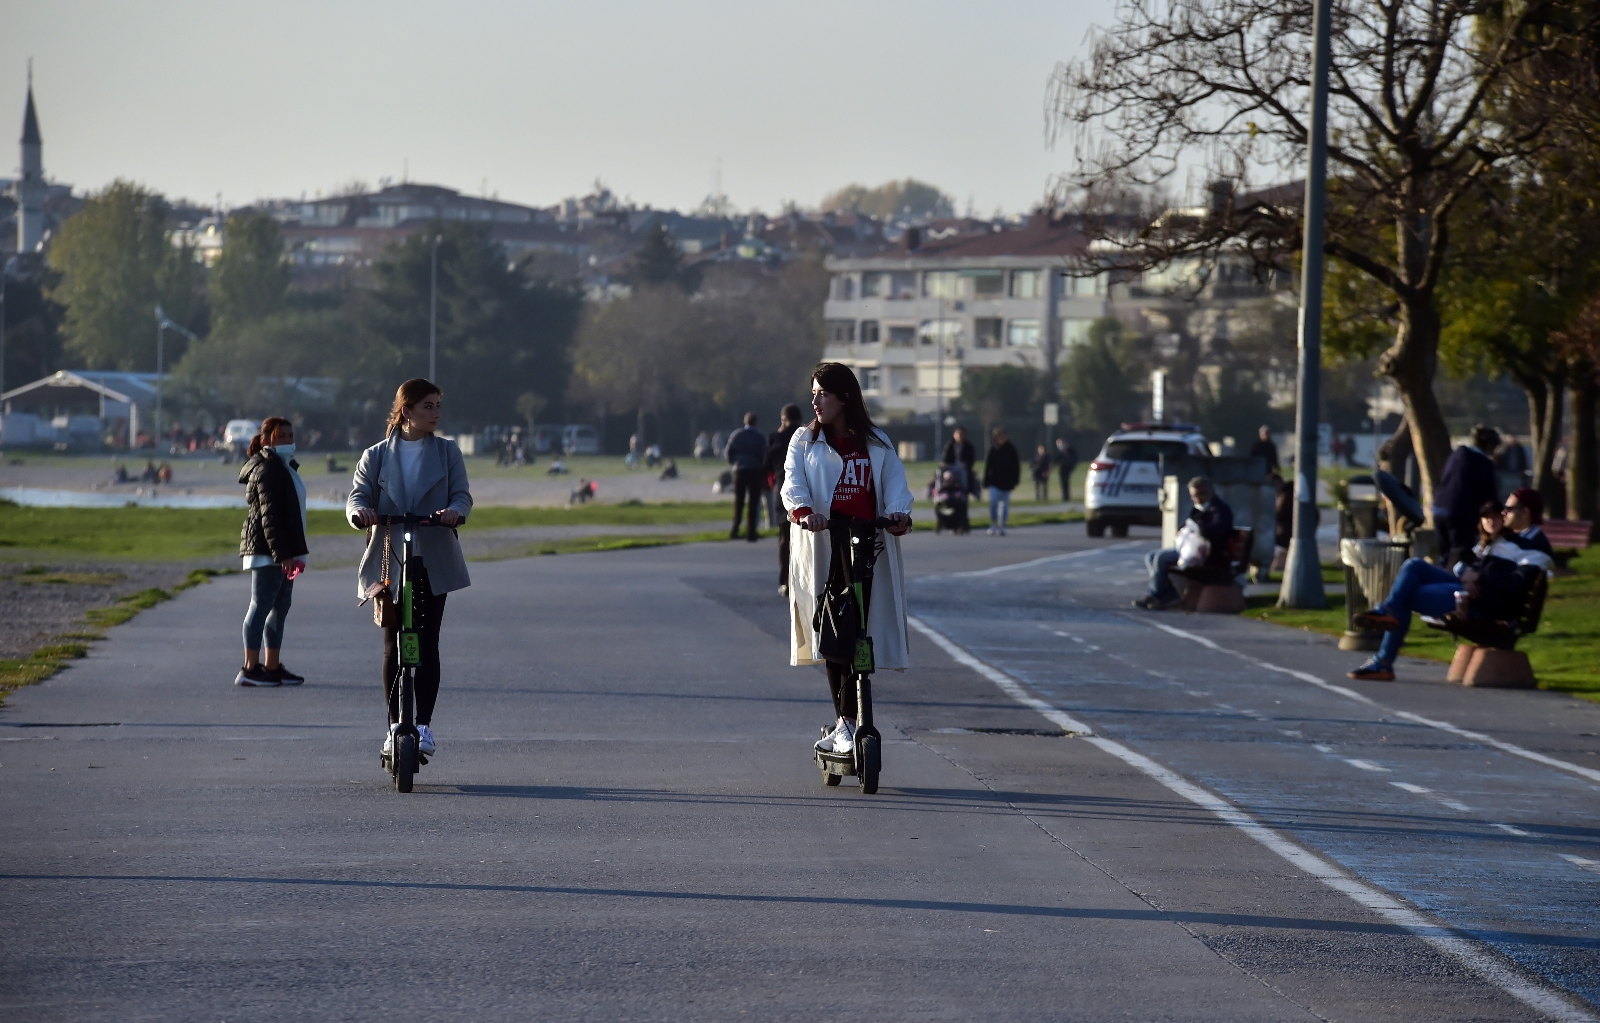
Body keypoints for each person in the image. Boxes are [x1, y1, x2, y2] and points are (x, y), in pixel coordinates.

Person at [782, 363, 913, 756]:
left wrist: (899, 513)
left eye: (823, 393)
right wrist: (805, 512)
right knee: (835, 630)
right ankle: (845, 722)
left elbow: (895, 483)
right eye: (813, 393)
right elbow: (792, 482)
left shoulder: (876, 441)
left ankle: (850, 719)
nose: (815, 401)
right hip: (827, 543)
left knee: (861, 631)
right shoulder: (804, 440)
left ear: (844, 397)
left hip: (867, 543)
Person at [347, 378, 473, 762]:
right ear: (407, 411)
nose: (436, 413)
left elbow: (462, 495)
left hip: (433, 554)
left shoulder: (448, 452)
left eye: (438, 406)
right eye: (427, 406)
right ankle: (392, 727)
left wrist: (454, 512)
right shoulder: (375, 456)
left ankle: (424, 725)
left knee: (428, 641)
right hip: (388, 555)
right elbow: (357, 496)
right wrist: (360, 513)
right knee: (393, 644)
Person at [1348, 499, 1549, 680]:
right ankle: (1388, 612)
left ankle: (1383, 660)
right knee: (1413, 565)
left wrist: (1477, 576)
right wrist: (1468, 573)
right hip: (1468, 587)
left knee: (1408, 596)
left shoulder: (1529, 546)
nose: (1502, 514)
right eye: (1490, 515)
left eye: (1507, 510)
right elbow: (1467, 564)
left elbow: (1513, 583)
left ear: (1525, 512)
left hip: (1479, 601)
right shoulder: (1504, 540)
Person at [235, 416, 309, 687]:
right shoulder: (268, 469)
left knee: (279, 608)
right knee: (261, 605)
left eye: (290, 435)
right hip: (268, 551)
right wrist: (283, 555)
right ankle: (250, 668)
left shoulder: (283, 466)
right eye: (282, 436)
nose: (288, 441)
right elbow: (270, 518)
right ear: (267, 441)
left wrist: (292, 553)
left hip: (283, 551)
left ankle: (272, 666)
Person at [1135, 476, 1234, 610]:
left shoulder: (1219, 510)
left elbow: (1217, 530)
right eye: (1194, 496)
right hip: (1189, 549)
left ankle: (1156, 595)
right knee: (1151, 556)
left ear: (1211, 492)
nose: (1198, 499)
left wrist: (1200, 529)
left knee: (1161, 558)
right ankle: (1169, 593)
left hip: (1208, 554)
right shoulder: (1199, 509)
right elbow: (1189, 524)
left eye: (1202, 494)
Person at [1433, 425, 1501, 554]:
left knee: (1444, 554)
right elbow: (1490, 497)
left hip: (1439, 508)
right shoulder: (1484, 463)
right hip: (1461, 513)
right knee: (1460, 554)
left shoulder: (1456, 455)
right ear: (1490, 446)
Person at [766, 404, 804, 594]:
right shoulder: (807, 436)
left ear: (784, 418)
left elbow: (766, 464)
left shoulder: (777, 438)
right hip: (804, 489)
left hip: (782, 487)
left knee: (784, 537)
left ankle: (785, 580)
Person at [726, 412, 767, 541]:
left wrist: (734, 463)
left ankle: (735, 529)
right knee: (753, 503)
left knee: (739, 501)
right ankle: (751, 532)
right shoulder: (759, 437)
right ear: (756, 422)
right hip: (755, 471)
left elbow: (728, 452)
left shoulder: (737, 435)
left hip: (740, 470)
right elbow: (764, 454)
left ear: (745, 422)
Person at [981, 427, 1020, 536]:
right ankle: (994, 523)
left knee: (1004, 504)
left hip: (1007, 481)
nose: (1001, 438)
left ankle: (1002, 525)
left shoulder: (1011, 449)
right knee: (993, 503)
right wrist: (985, 480)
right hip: (994, 481)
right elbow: (988, 466)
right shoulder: (993, 450)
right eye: (999, 436)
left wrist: (1015, 479)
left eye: (1003, 436)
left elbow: (1016, 466)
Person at [1501, 487, 1553, 556]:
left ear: (1525, 512)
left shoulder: (1537, 547)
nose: (1503, 512)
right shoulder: (1504, 537)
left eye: (1509, 509)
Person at [942, 427, 975, 492]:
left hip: (962, 468)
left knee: (964, 474)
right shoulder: (949, 446)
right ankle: (943, 489)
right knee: (947, 474)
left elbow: (971, 460)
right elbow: (945, 459)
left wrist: (966, 464)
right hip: (950, 467)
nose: (960, 436)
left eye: (962, 434)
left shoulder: (968, 447)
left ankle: (964, 490)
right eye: (958, 434)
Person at [1054, 437, 1079, 502]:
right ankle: (1065, 496)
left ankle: (1066, 496)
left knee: (1065, 482)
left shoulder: (1067, 449)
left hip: (1067, 467)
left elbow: (1072, 458)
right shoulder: (1064, 450)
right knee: (1064, 483)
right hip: (1063, 468)